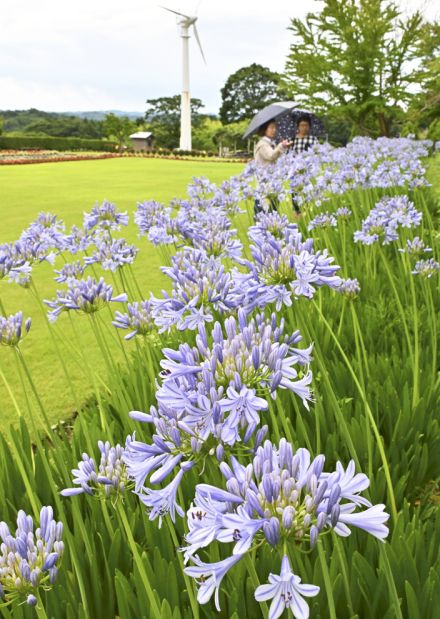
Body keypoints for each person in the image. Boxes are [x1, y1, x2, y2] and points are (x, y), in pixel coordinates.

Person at [254, 120, 291, 216]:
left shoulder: (270, 143)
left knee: (272, 213)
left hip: (272, 183)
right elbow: (270, 156)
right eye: (271, 127)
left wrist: (283, 148)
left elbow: (275, 158)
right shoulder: (262, 144)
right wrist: (281, 146)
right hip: (265, 183)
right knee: (263, 213)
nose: (274, 130)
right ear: (264, 129)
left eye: (275, 127)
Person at [290, 115, 319, 216]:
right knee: (295, 194)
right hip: (295, 172)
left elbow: (316, 155)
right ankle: (297, 215)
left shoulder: (313, 139)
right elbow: (289, 155)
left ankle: (308, 214)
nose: (304, 127)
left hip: (307, 172)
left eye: (306, 125)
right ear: (298, 126)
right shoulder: (293, 139)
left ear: (309, 126)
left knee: (307, 194)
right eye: (301, 125)